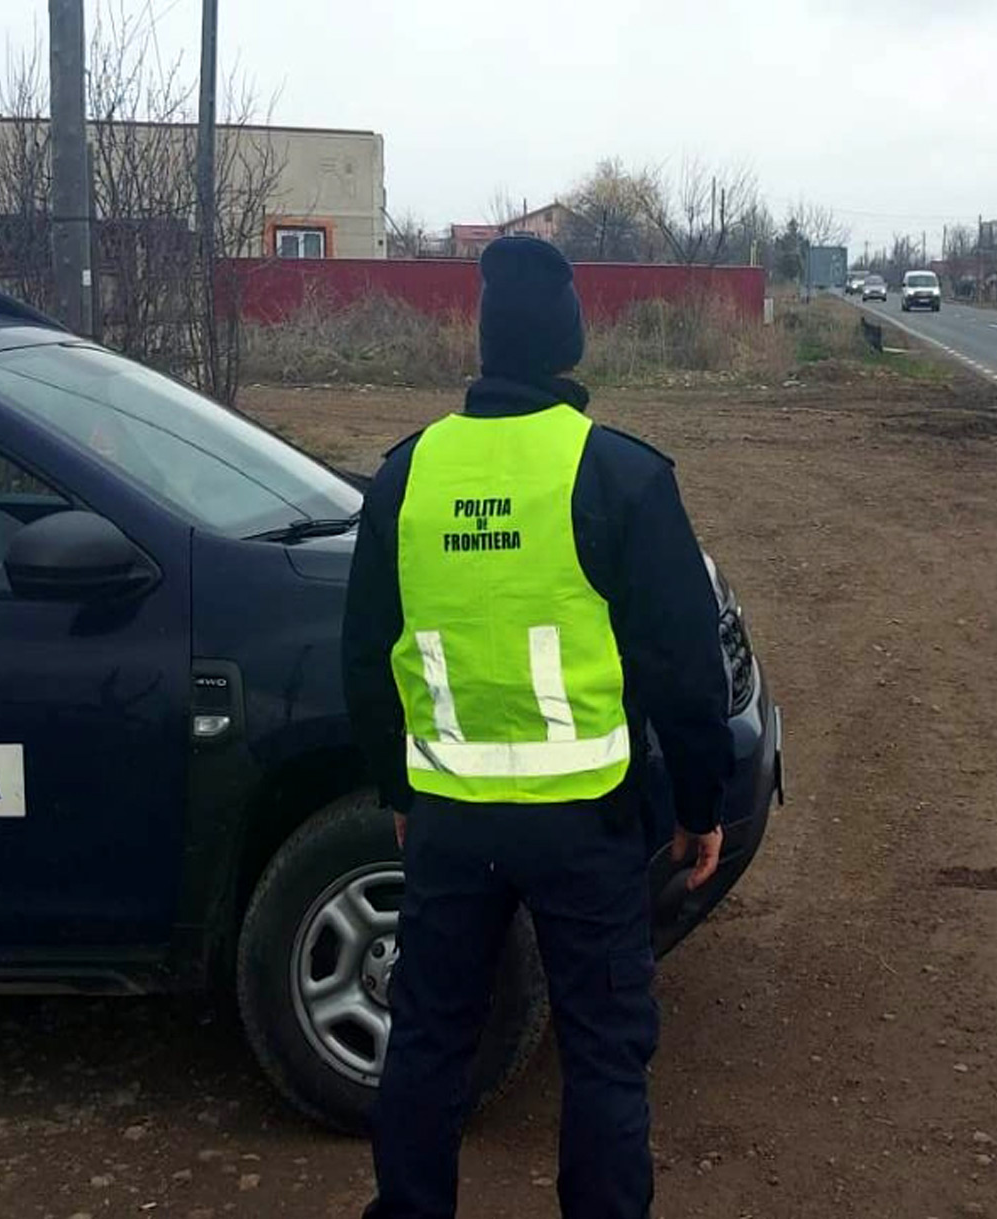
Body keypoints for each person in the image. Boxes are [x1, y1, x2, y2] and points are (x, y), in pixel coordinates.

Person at [343, 233, 739, 1219]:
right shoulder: (618, 474)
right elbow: (687, 668)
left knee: (429, 1040)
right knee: (603, 1050)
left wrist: (399, 788)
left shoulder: (406, 475)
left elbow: (365, 656)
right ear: (568, 345)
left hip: (449, 821)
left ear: (484, 343)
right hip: (584, 825)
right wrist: (700, 805)